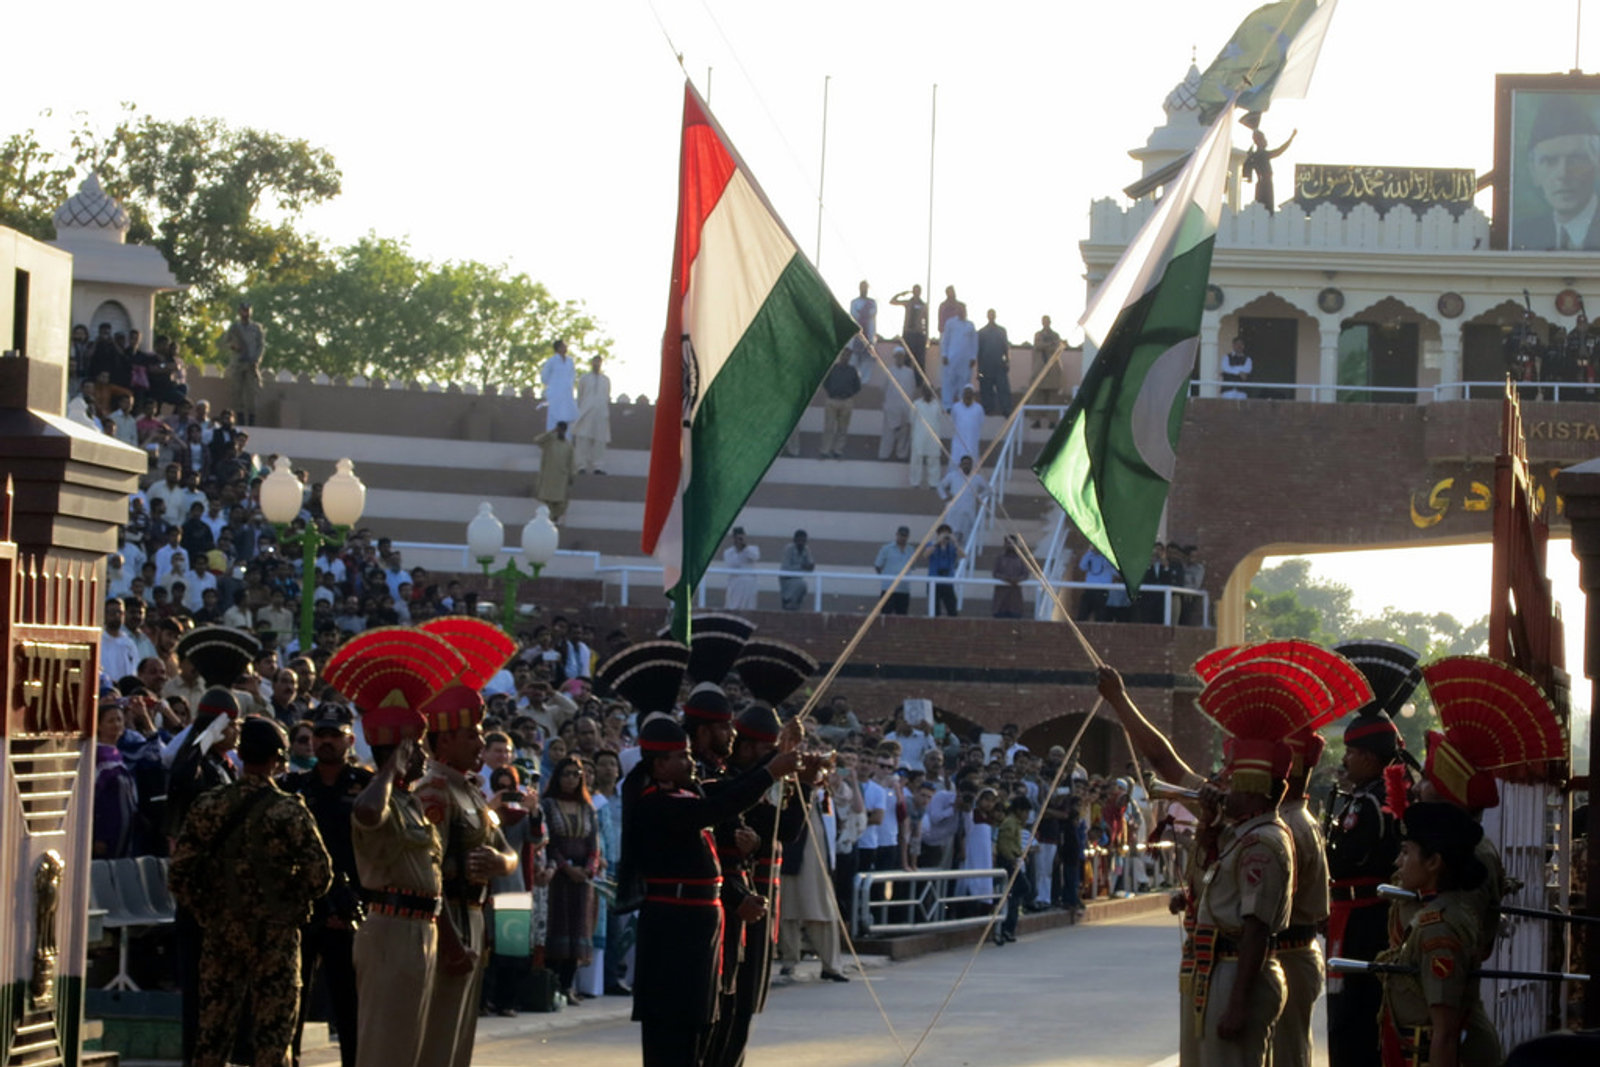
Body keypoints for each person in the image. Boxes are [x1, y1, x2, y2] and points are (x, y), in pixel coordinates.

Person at [621, 716, 802, 1066]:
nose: (689, 763)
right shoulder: (656, 804)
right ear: (659, 764)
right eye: (680, 757)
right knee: (672, 1033)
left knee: (699, 1028)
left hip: (698, 931)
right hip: (674, 930)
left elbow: (732, 787)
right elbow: (719, 806)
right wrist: (772, 772)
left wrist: (777, 756)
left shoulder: (686, 793)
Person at [167, 717, 333, 1067]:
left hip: (221, 933)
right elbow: (320, 877)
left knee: (212, 1036)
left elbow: (179, 871)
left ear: (241, 754)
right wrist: (288, 903)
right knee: (273, 1041)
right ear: (278, 759)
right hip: (275, 937)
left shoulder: (210, 805)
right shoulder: (288, 810)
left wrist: (208, 911)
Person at [414, 666, 520, 1067]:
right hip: (449, 922)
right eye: (472, 734)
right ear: (445, 739)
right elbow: (429, 874)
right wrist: (451, 940)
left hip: (474, 915)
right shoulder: (433, 793)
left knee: (460, 1038)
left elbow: (506, 854)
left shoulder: (471, 792)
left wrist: (499, 862)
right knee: (439, 1034)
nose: (481, 742)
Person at [1325, 640, 1420, 1067]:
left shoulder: (1366, 802)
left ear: (1367, 755)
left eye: (1350, 752)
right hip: (1373, 915)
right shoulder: (1383, 792)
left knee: (1352, 1016)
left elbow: (1343, 861)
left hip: (1361, 918)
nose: (1345, 759)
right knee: (1363, 1013)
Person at [1375, 803, 1497, 1067]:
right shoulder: (1440, 911)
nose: (1398, 862)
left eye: (1406, 853)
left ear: (1433, 862)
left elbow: (1445, 1033)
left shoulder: (1438, 928)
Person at [283, 707, 371, 1067]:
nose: (327, 742)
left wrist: (358, 903)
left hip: (348, 907)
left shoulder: (365, 786)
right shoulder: (295, 786)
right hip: (304, 906)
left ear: (349, 740)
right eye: (321, 735)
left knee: (348, 1002)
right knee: (293, 999)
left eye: (335, 735)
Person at [541, 756, 600, 1002]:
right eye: (566, 774)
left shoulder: (587, 807)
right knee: (558, 927)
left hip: (582, 879)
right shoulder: (548, 804)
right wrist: (566, 868)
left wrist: (589, 868)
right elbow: (549, 844)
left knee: (579, 929)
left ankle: (568, 986)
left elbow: (594, 844)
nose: (571, 779)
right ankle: (553, 986)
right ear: (557, 777)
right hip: (558, 874)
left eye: (576, 774)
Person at [1513, 95, 1600, 250]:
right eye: (1549, 161)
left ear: (1596, 165)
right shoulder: (1521, 236)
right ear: (1534, 172)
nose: (1563, 174)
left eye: (1575, 160)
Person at [224, 303, 266, 425]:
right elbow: (225, 342)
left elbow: (261, 346)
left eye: (247, 310)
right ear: (239, 312)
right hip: (238, 364)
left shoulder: (256, 328)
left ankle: (252, 419)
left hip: (251, 364)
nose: (245, 313)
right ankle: (240, 419)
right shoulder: (234, 328)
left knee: (252, 393)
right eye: (243, 310)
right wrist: (233, 346)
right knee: (237, 392)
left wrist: (256, 360)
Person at [937, 455, 990, 544]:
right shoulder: (952, 476)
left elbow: (988, 490)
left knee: (966, 539)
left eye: (969, 464)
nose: (966, 466)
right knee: (950, 537)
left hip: (968, 512)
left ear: (971, 465)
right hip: (953, 512)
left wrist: (979, 497)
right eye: (964, 463)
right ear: (960, 465)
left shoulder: (977, 478)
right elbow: (940, 486)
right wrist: (945, 497)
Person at [573, 355, 612, 474]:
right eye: (595, 362)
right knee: (583, 439)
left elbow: (606, 396)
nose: (597, 364)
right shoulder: (584, 378)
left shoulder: (605, 380)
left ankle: (598, 466)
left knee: (600, 440)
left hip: (601, 412)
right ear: (591, 363)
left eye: (599, 362)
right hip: (586, 411)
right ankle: (581, 466)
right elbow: (580, 396)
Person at [820, 349, 861, 459]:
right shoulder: (833, 369)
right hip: (832, 400)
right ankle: (825, 451)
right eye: (844, 355)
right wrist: (832, 392)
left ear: (850, 357)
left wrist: (848, 393)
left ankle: (838, 451)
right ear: (840, 355)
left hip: (846, 401)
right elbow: (825, 382)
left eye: (848, 355)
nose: (845, 357)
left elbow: (857, 386)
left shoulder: (852, 370)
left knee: (842, 428)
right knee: (829, 427)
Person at [879, 346, 918, 461]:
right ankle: (884, 455)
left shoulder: (910, 372)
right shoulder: (889, 371)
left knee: (904, 434)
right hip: (891, 407)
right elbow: (883, 388)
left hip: (905, 408)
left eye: (901, 356)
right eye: (897, 356)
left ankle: (902, 455)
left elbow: (912, 389)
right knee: (888, 433)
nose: (899, 358)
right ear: (894, 357)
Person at [534, 423, 576, 523]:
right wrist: (552, 431)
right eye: (559, 429)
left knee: (559, 502)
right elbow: (537, 440)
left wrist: (571, 476)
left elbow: (571, 462)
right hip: (548, 477)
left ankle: (554, 519)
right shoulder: (549, 441)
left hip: (561, 479)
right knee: (547, 501)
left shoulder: (568, 445)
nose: (561, 431)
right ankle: (547, 520)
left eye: (563, 430)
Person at [921, 524, 964, 617]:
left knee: (952, 610)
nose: (944, 536)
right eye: (942, 533)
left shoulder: (952, 547)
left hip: (947, 582)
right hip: (934, 582)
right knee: (934, 611)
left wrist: (955, 542)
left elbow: (963, 555)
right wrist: (937, 543)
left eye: (947, 533)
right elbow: (925, 555)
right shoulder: (931, 545)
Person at [940, 307, 978, 411]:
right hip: (951, 358)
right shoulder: (950, 323)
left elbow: (974, 342)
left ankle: (963, 405)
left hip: (965, 361)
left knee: (964, 382)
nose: (962, 312)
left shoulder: (970, 325)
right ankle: (947, 406)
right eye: (960, 310)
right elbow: (946, 340)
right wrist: (944, 354)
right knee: (949, 382)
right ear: (957, 311)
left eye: (964, 310)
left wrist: (973, 357)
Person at [976, 309, 1012, 416]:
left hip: (999, 365)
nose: (991, 316)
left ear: (995, 316)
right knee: (986, 389)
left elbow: (1006, 348)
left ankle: (1006, 410)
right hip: (985, 366)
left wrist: (1007, 362)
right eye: (990, 315)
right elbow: (979, 352)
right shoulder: (981, 332)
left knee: (1003, 389)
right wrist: (979, 370)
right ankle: (988, 410)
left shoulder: (1001, 331)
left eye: (993, 315)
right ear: (987, 316)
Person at [874, 526, 917, 616]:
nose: (903, 538)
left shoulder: (911, 550)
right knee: (885, 616)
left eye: (905, 536)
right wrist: (884, 578)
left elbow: (913, 567)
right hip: (888, 588)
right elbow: (878, 565)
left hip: (904, 589)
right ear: (897, 535)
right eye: (901, 535)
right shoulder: (886, 549)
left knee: (902, 617)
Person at [908, 384, 944, 489]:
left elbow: (940, 420)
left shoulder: (937, 405)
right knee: (916, 462)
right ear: (922, 392)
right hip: (919, 438)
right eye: (926, 390)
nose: (928, 392)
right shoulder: (916, 404)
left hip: (933, 438)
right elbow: (911, 420)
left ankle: (934, 484)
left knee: (933, 462)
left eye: (930, 390)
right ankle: (915, 483)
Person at [539, 339, 579, 431]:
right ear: (558, 348)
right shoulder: (552, 361)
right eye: (564, 346)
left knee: (568, 419)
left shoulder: (570, 361)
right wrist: (554, 387)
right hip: (555, 395)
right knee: (554, 418)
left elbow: (572, 376)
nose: (566, 348)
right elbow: (544, 377)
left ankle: (565, 443)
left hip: (568, 395)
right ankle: (552, 441)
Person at [722, 527, 760, 611]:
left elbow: (755, 557)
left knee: (749, 607)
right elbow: (732, 564)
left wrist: (745, 547)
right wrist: (739, 550)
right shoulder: (728, 552)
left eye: (741, 537)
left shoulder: (753, 549)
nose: (740, 539)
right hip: (735, 583)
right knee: (733, 606)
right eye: (737, 537)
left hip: (749, 583)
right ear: (733, 538)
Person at [1033, 315, 1064, 412]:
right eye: (1044, 321)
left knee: (1053, 396)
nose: (1046, 323)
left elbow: (1057, 348)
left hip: (1053, 368)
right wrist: (1049, 344)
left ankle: (1052, 420)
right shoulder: (1038, 334)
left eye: (1047, 321)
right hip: (1040, 368)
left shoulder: (1055, 335)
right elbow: (1038, 345)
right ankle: (1036, 420)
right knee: (1038, 396)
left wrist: (1048, 345)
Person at [992, 535, 1028, 619]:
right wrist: (1006, 578)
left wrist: (1017, 579)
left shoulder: (1021, 559)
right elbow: (995, 573)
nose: (1010, 545)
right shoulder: (1000, 558)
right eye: (1008, 543)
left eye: (1012, 543)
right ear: (1004, 544)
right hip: (1001, 596)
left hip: (1015, 595)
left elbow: (1025, 574)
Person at [890, 285, 929, 363]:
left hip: (918, 334)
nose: (916, 292)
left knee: (919, 360)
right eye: (915, 291)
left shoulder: (924, 305)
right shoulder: (908, 303)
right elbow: (892, 301)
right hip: (908, 333)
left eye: (918, 291)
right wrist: (902, 294)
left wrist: (926, 337)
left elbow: (926, 322)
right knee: (906, 358)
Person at [948, 385, 984, 467]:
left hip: (972, 441)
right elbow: (953, 420)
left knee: (972, 462)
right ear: (963, 394)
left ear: (973, 395)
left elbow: (981, 422)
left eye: (970, 393)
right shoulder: (956, 407)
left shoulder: (978, 408)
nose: (968, 395)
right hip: (958, 442)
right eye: (966, 393)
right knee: (956, 460)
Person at [849, 280, 877, 381]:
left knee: (867, 363)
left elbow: (871, 313)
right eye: (862, 287)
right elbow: (854, 315)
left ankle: (864, 384)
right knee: (854, 361)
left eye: (865, 287)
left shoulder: (872, 303)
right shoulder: (854, 302)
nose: (864, 289)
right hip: (856, 337)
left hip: (868, 337)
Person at [779, 530, 814, 612]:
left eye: (803, 541)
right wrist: (801, 567)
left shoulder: (806, 549)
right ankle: (787, 602)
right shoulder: (789, 549)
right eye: (799, 540)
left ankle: (793, 606)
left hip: (798, 579)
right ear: (794, 540)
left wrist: (810, 566)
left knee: (802, 587)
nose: (801, 543)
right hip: (787, 579)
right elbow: (785, 568)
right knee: (801, 585)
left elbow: (809, 564)